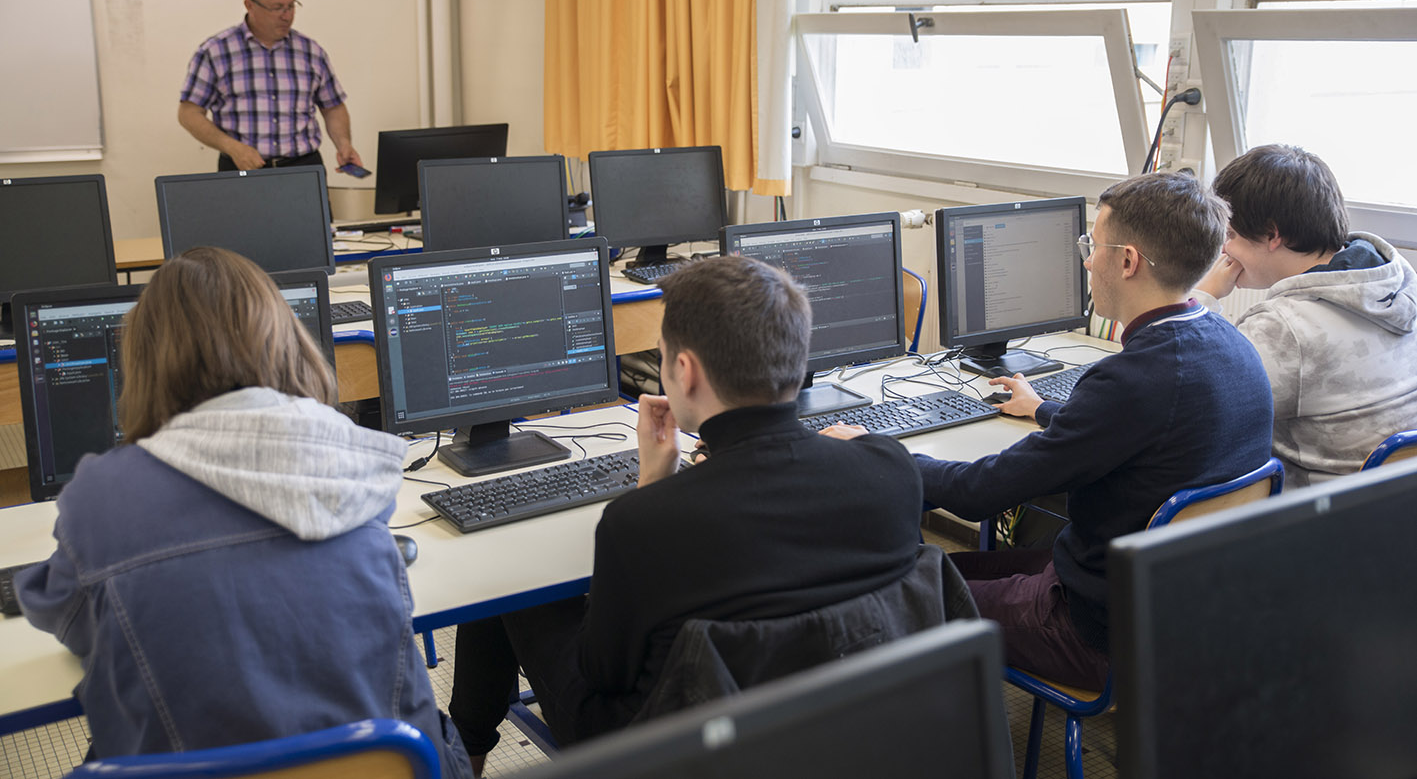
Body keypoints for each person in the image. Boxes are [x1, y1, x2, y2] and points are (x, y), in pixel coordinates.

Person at [448, 256, 926, 772]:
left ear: (684, 370)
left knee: (507, 584)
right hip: (840, 726)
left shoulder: (645, 522)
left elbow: (602, 672)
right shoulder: (890, 468)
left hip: (669, 743)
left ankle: (466, 749)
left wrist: (649, 493)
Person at [15, 247, 470, 778]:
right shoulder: (354, 456)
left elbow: (69, 624)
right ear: (287, 342)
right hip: (391, 763)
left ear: (143, 363)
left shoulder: (99, 495)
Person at [826, 172, 1274, 690]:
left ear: (1127, 261)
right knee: (939, 569)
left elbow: (979, 493)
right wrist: (1043, 410)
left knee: (897, 589)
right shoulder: (1230, 344)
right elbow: (1142, 431)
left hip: (1093, 631)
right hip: (1183, 611)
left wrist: (871, 451)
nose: (1087, 261)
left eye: (1093, 246)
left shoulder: (1131, 379)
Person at [1193, 143, 1417, 487]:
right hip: (1392, 511)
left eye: (1231, 235)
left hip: (1318, 520)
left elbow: (1193, 403)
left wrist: (1202, 297)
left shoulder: (1285, 328)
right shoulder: (1398, 287)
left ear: (1271, 234)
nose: (1224, 249)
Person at [178, 0, 363, 172]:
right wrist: (232, 147)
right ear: (250, 5)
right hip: (242, 168)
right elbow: (189, 113)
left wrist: (344, 144)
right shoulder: (216, 52)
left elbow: (333, 107)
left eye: (291, 6)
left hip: (303, 168)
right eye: (277, 8)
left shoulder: (310, 52)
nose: (287, 15)